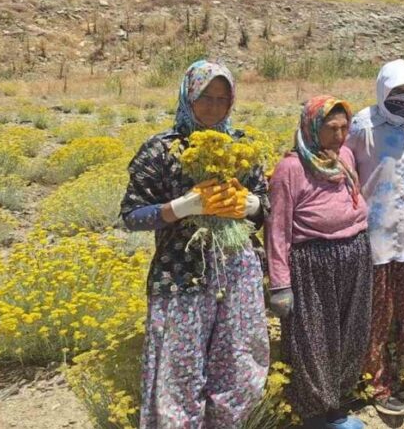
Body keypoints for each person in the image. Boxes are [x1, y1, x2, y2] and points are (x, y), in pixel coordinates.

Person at [120, 60, 269, 429]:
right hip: (180, 278)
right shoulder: (161, 150)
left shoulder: (243, 146)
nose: (214, 108)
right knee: (177, 375)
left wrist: (253, 206)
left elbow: (266, 205)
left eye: (223, 99)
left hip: (237, 276)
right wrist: (180, 208)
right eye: (206, 98)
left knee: (239, 370)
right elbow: (131, 215)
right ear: (188, 96)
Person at [265, 97, 371, 429]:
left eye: (345, 128)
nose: (340, 136)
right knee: (312, 342)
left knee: (349, 335)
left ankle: (336, 409)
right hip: (312, 264)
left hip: (353, 256)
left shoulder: (345, 157)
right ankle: (312, 417)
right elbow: (278, 229)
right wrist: (280, 284)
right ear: (313, 127)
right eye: (332, 128)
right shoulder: (291, 168)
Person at [346, 60, 404, 416]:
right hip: (374, 239)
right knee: (378, 317)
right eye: (398, 91)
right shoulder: (362, 125)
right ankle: (379, 385)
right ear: (383, 90)